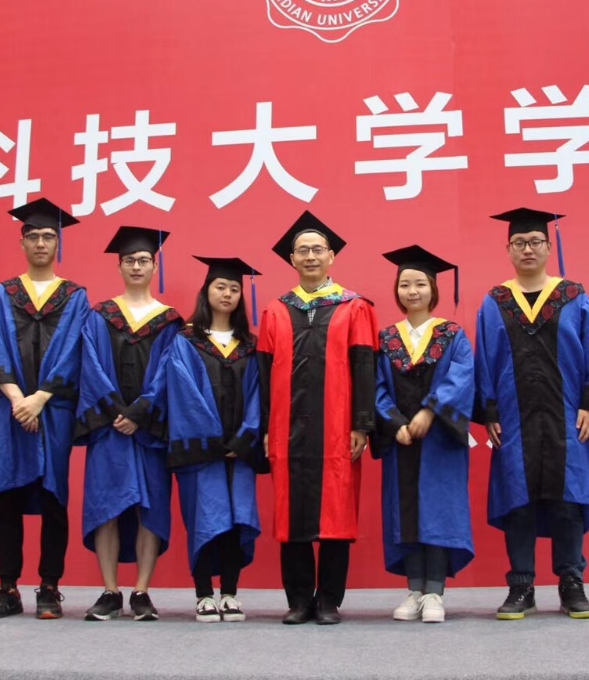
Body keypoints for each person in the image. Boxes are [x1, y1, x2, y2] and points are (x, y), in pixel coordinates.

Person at [474, 208, 589, 621]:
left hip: (566, 413)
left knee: (568, 498)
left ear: (549, 247)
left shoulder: (574, 296)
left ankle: (571, 583)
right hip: (514, 417)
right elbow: (485, 358)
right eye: (519, 243)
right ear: (508, 249)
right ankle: (521, 586)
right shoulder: (495, 301)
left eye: (535, 242)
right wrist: (488, 411)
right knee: (517, 499)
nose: (528, 249)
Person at [0, 198, 89, 620]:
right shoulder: (0, 295)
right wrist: (18, 398)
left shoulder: (74, 297)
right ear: (21, 243)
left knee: (54, 499)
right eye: (33, 236)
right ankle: (7, 588)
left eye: (48, 236)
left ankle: (50, 587)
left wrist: (40, 397)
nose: (40, 243)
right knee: (8, 499)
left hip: (52, 411)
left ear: (58, 243)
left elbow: (74, 351)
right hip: (9, 411)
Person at [257, 210, 377, 625]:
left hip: (337, 427)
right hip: (286, 428)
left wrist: (362, 423)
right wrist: (266, 428)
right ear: (292, 259)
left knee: (336, 514)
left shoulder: (354, 307)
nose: (310, 256)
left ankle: (328, 600)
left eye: (317, 250)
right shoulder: (275, 310)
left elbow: (365, 367)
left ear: (331, 256)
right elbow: (263, 375)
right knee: (290, 515)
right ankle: (298, 600)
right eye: (303, 250)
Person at [141, 256, 265, 622]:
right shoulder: (186, 341)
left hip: (239, 449)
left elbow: (259, 396)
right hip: (200, 449)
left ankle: (229, 592)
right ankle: (203, 593)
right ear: (206, 291)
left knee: (237, 518)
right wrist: (211, 438)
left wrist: (244, 438)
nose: (227, 294)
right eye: (220, 287)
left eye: (234, 289)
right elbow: (183, 392)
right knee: (203, 518)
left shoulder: (250, 345)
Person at [76, 226, 181, 622]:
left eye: (144, 260)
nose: (137, 266)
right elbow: (90, 366)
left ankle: (141, 591)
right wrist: (116, 410)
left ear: (155, 266)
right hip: (109, 428)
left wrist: (139, 413)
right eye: (130, 261)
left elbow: (170, 371)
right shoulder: (99, 315)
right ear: (119, 266)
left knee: (149, 507)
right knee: (105, 505)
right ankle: (109, 591)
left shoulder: (170, 321)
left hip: (149, 429)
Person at [372, 245, 475, 624]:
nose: (412, 291)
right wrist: (395, 423)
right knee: (407, 514)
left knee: (439, 512)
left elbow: (462, 376)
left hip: (440, 442)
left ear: (433, 288)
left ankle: (435, 592)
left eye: (419, 284)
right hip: (402, 442)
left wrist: (431, 410)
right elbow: (376, 387)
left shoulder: (452, 334)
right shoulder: (386, 338)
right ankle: (415, 589)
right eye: (405, 284)